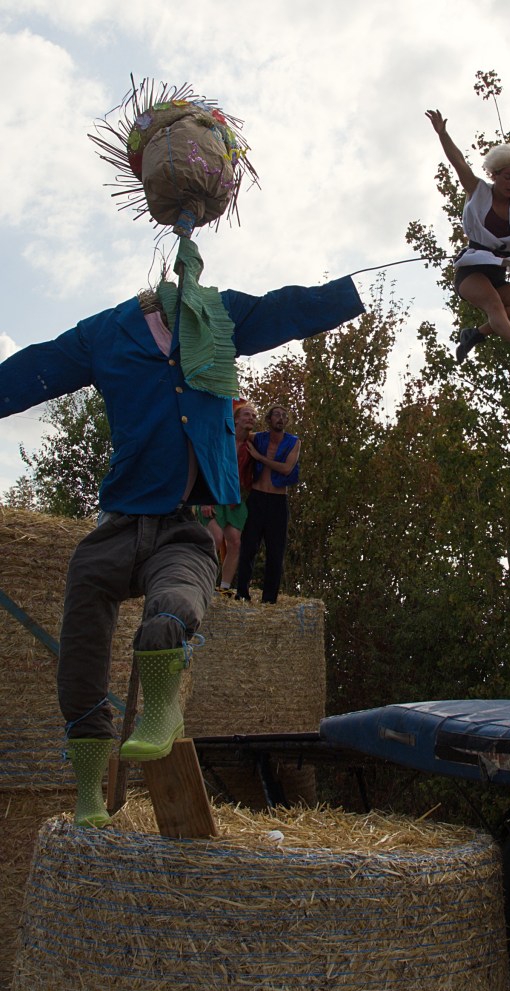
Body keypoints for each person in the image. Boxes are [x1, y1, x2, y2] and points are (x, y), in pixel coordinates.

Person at [0, 80, 365, 828]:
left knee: (171, 614)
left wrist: (351, 290)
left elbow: (289, 309)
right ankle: (89, 784)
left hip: (188, 523)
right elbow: (32, 367)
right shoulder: (106, 333)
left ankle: (161, 711)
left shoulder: (221, 318)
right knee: (80, 646)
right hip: (117, 519)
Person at [426, 108, 510, 364]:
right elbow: (458, 161)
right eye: (507, 177)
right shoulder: (478, 191)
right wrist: (443, 134)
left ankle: (474, 335)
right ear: (494, 175)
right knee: (493, 304)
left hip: (497, 274)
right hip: (471, 273)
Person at [235, 405, 300, 604]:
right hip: (257, 497)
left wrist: (260, 458)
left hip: (277, 501)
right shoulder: (258, 438)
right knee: (248, 548)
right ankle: (242, 594)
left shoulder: (293, 442)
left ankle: (269, 600)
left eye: (284, 415)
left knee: (275, 553)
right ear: (269, 419)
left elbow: (287, 469)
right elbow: (239, 435)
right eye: (277, 415)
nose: (281, 418)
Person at [195, 399, 257, 595]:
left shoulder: (251, 446)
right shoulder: (222, 439)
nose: (251, 418)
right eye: (247, 414)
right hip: (212, 493)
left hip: (234, 499)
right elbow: (206, 466)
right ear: (236, 419)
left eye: (254, 416)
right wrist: (205, 498)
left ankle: (224, 588)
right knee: (215, 537)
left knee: (235, 542)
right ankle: (203, 582)